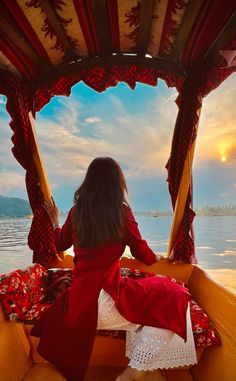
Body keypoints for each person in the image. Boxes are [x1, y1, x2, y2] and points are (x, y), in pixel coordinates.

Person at [31, 157, 193, 381]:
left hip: (79, 305)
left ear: (89, 182)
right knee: (176, 296)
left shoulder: (77, 212)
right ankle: (134, 372)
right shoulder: (122, 212)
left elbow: (59, 244)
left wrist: (55, 221)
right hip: (109, 301)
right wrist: (157, 257)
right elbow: (142, 255)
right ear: (117, 183)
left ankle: (146, 369)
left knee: (157, 300)